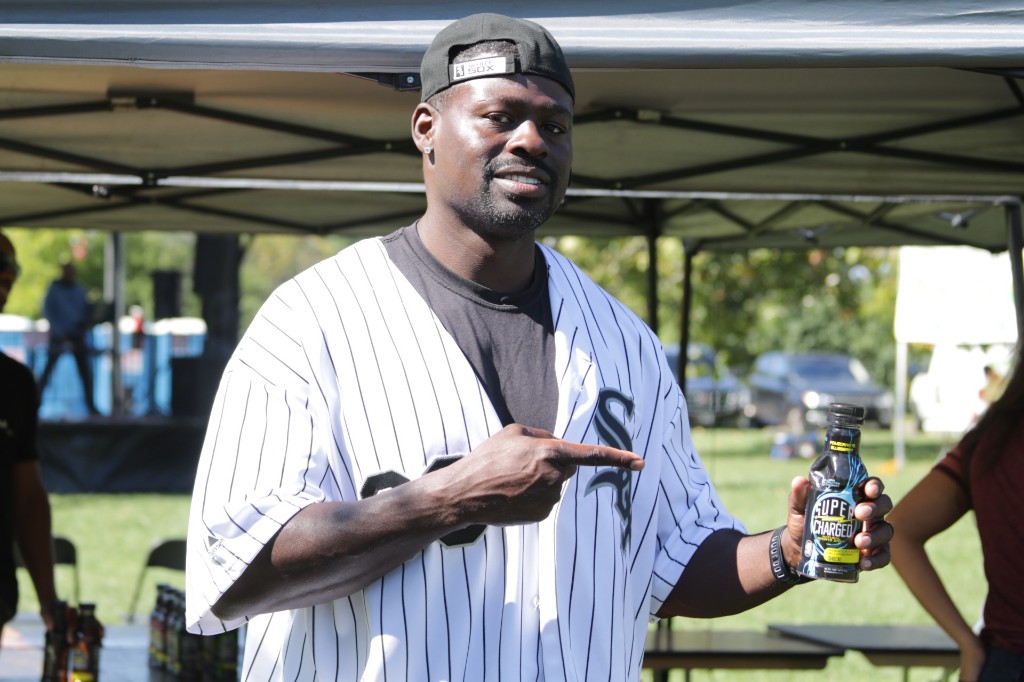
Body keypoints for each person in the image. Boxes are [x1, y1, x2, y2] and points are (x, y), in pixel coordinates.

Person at [185, 14, 893, 681]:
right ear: (426, 128)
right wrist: (449, 498)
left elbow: (671, 559)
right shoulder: (313, 319)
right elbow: (235, 570)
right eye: (500, 116)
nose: (531, 140)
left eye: (555, 124)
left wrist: (790, 550)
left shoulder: (622, 341)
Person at [890, 344, 1024, 681]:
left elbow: (899, 530)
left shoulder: (992, 438)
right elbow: (899, 531)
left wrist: (968, 644)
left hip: (1003, 662)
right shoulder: (992, 439)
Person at [0, 230, 58, 641]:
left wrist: (49, 601)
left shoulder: (14, 382)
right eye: (0, 265)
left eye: (12, 269)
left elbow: (28, 498)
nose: (8, 276)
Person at [37, 259, 99, 416]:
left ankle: (90, 405)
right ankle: (35, 403)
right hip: (59, 336)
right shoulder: (54, 290)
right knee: (48, 370)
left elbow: (85, 312)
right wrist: (60, 332)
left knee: (85, 372)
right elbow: (48, 312)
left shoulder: (79, 290)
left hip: (77, 335)